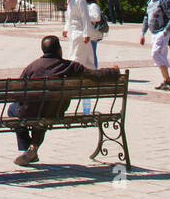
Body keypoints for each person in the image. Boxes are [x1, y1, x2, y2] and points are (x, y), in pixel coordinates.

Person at [8, 34, 122, 167]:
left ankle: (26, 147)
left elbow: (18, 93)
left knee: (13, 110)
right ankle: (32, 147)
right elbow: (95, 75)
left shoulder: (32, 67)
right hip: (55, 111)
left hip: (30, 111)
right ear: (59, 50)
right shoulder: (70, 67)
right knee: (45, 113)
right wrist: (114, 72)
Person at [139, 0, 170, 89]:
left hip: (162, 32)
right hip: (154, 32)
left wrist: (165, 31)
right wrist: (142, 33)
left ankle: (167, 79)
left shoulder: (163, 1)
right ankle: (166, 79)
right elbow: (146, 18)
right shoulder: (150, 2)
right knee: (161, 55)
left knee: (155, 54)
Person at [56, 0, 92, 66]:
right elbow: (69, 15)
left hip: (80, 32)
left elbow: (85, 16)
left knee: (77, 57)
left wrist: (86, 34)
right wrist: (66, 28)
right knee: (81, 57)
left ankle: (75, 75)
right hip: (73, 31)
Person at [86, 0, 106, 67]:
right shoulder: (85, 6)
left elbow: (97, 17)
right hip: (88, 33)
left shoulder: (93, 6)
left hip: (93, 34)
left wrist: (84, 16)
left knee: (92, 54)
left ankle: (95, 70)